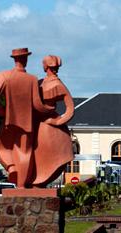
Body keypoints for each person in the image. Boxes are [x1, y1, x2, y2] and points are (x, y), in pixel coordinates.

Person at [0, 48, 52, 188]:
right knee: (25, 152)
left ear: (14, 59)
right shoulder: (32, 79)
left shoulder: (4, 76)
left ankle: (11, 167)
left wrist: (2, 112)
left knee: (2, 148)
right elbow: (38, 105)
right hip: (27, 124)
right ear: (25, 59)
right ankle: (21, 185)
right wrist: (50, 109)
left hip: (9, 121)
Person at [32, 55, 75, 187]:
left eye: (54, 68)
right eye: (52, 67)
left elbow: (70, 109)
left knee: (48, 155)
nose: (54, 70)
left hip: (48, 125)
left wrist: (57, 122)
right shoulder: (39, 83)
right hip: (35, 124)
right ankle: (33, 179)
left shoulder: (58, 85)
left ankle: (40, 179)